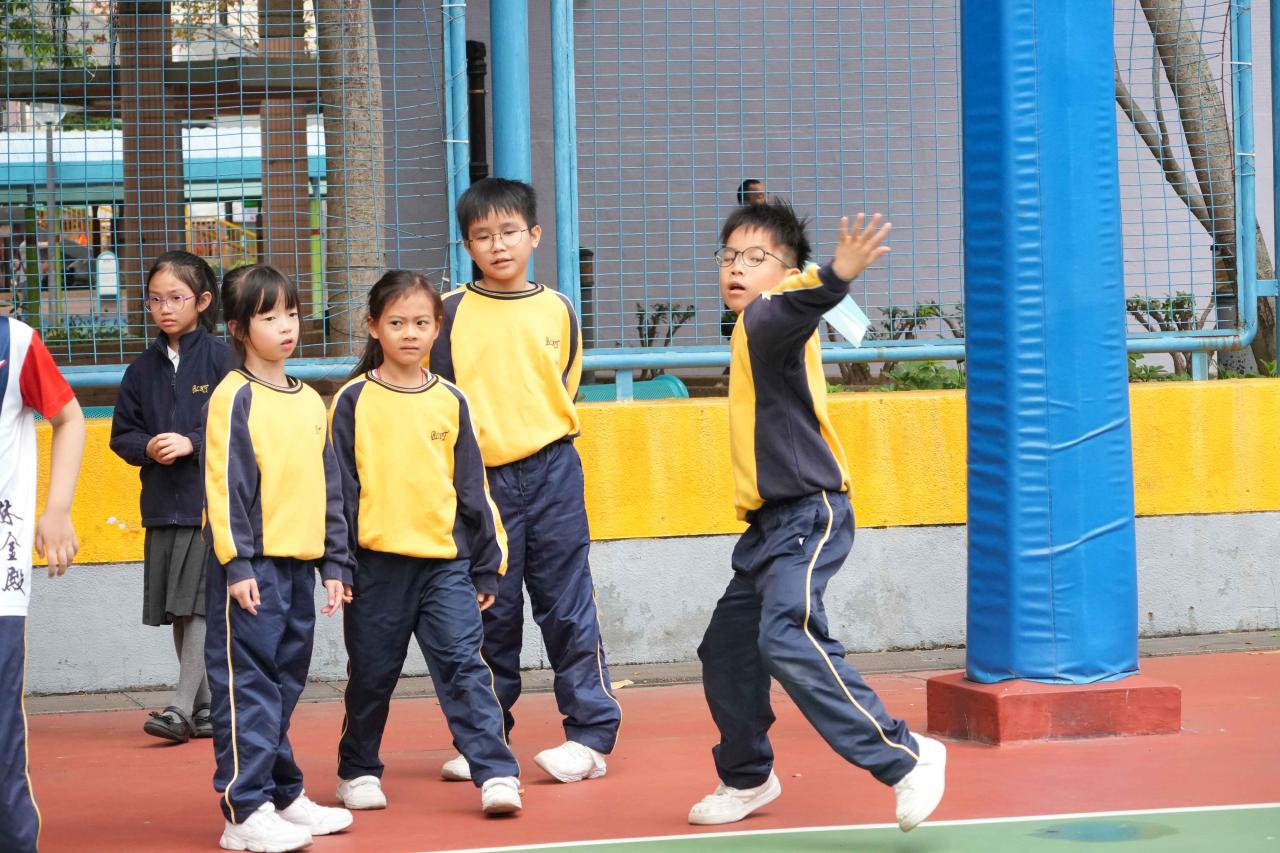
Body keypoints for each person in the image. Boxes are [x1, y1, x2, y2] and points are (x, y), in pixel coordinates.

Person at [688, 200, 947, 832]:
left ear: (787, 273)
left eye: (755, 258)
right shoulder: (752, 327)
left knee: (786, 634)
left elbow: (801, 302)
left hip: (810, 511)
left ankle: (905, 755)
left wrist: (835, 274)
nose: (736, 268)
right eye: (729, 256)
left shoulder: (771, 316)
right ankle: (747, 776)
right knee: (726, 649)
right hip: (770, 525)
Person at [429, 177, 622, 784]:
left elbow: (565, 382)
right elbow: (436, 399)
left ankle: (589, 737)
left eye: (510, 231)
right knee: (491, 610)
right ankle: (486, 740)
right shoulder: (449, 313)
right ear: (467, 245)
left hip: (554, 471)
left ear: (534, 235)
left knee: (568, 605)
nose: (499, 245)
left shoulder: (558, 307)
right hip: (481, 482)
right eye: (483, 236)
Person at [330, 270, 523, 816]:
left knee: (465, 666)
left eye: (420, 322)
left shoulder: (451, 399)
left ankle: (496, 772)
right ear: (373, 326)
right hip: (376, 569)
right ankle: (357, 771)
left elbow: (473, 488)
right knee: (372, 675)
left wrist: (486, 564)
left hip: (446, 566)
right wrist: (338, 565)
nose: (409, 333)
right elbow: (338, 491)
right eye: (396, 323)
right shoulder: (352, 400)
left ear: (438, 328)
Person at [203, 264, 355, 852]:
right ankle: (243, 811)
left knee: (284, 685)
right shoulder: (233, 396)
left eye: (290, 313)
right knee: (249, 688)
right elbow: (224, 486)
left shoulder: (311, 400)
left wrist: (336, 564)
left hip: (298, 568)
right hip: (252, 570)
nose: (286, 326)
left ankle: (283, 794)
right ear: (239, 328)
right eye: (268, 317)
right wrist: (237, 565)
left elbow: (330, 487)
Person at [110, 251, 235, 743]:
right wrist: (147, 448)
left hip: (210, 504)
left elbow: (240, 423)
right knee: (180, 610)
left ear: (202, 301)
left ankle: (180, 707)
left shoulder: (224, 359)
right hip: (162, 505)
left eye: (176, 298)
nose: (164, 308)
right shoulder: (140, 370)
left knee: (200, 605)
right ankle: (205, 708)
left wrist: (192, 442)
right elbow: (122, 436)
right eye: (155, 299)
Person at [0, 314, 85, 851]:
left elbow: (70, 418)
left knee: (2, 725)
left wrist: (57, 509)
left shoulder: (15, 342)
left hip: (0, 577)